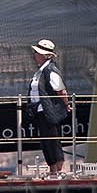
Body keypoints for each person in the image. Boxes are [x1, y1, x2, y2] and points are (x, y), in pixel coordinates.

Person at [27, 38, 73, 174]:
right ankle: (52, 168)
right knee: (46, 140)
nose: (34, 56)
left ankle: (57, 169)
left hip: (48, 111)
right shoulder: (41, 71)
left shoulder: (50, 70)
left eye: (37, 53)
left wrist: (66, 104)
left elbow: (60, 90)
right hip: (40, 110)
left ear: (43, 55)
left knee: (52, 139)